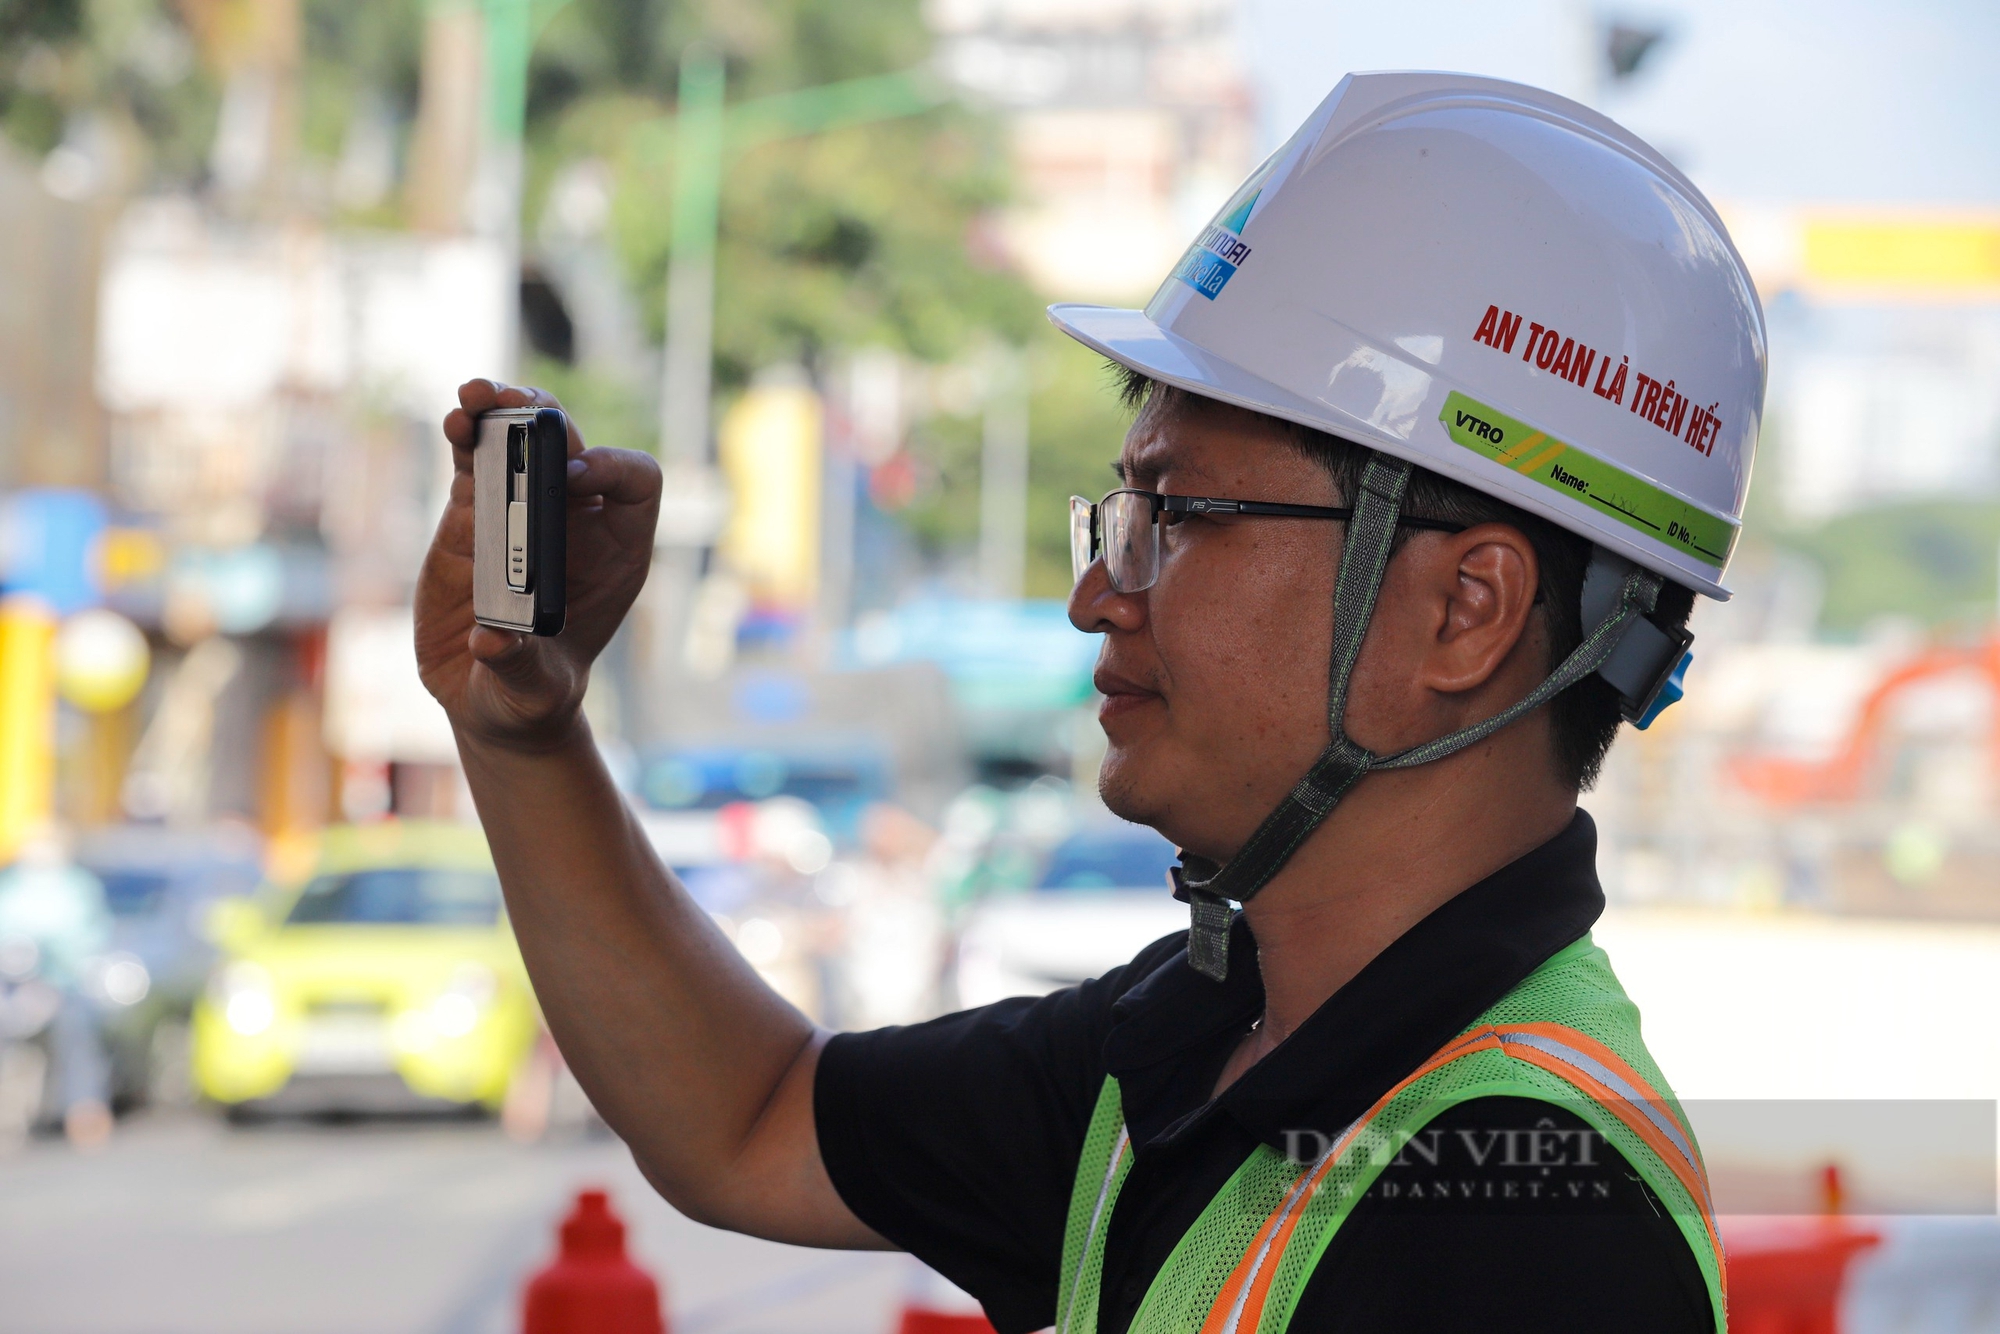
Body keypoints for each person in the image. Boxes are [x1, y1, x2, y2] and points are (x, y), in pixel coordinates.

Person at [417, 72, 1759, 1332]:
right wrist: (523, 728)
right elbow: (752, 1117)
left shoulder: (1520, 1223)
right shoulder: (1202, 1034)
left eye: (1180, 514)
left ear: (1465, 611)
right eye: (1123, 515)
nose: (1103, 595)